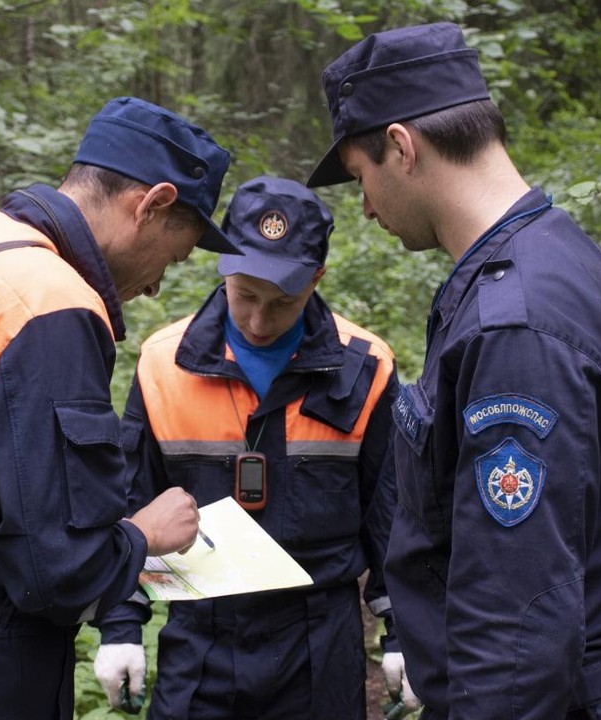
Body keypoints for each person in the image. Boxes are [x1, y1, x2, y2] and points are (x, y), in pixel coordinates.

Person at [307, 22, 601, 720]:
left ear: (402, 147)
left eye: (362, 177)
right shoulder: (565, 257)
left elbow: (515, 618)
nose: (365, 206)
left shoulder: (516, 323)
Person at [0, 96, 240, 720]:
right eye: (172, 256)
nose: (156, 285)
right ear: (153, 203)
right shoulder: (50, 307)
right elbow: (57, 569)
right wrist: (145, 535)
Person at [91, 175, 419, 720]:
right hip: (201, 639)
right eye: (245, 295)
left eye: (283, 301)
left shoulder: (367, 368)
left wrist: (404, 632)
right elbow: (131, 501)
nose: (259, 321)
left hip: (321, 643)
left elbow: (394, 517)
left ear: (316, 279)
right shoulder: (163, 364)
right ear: (223, 269)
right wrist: (121, 625)